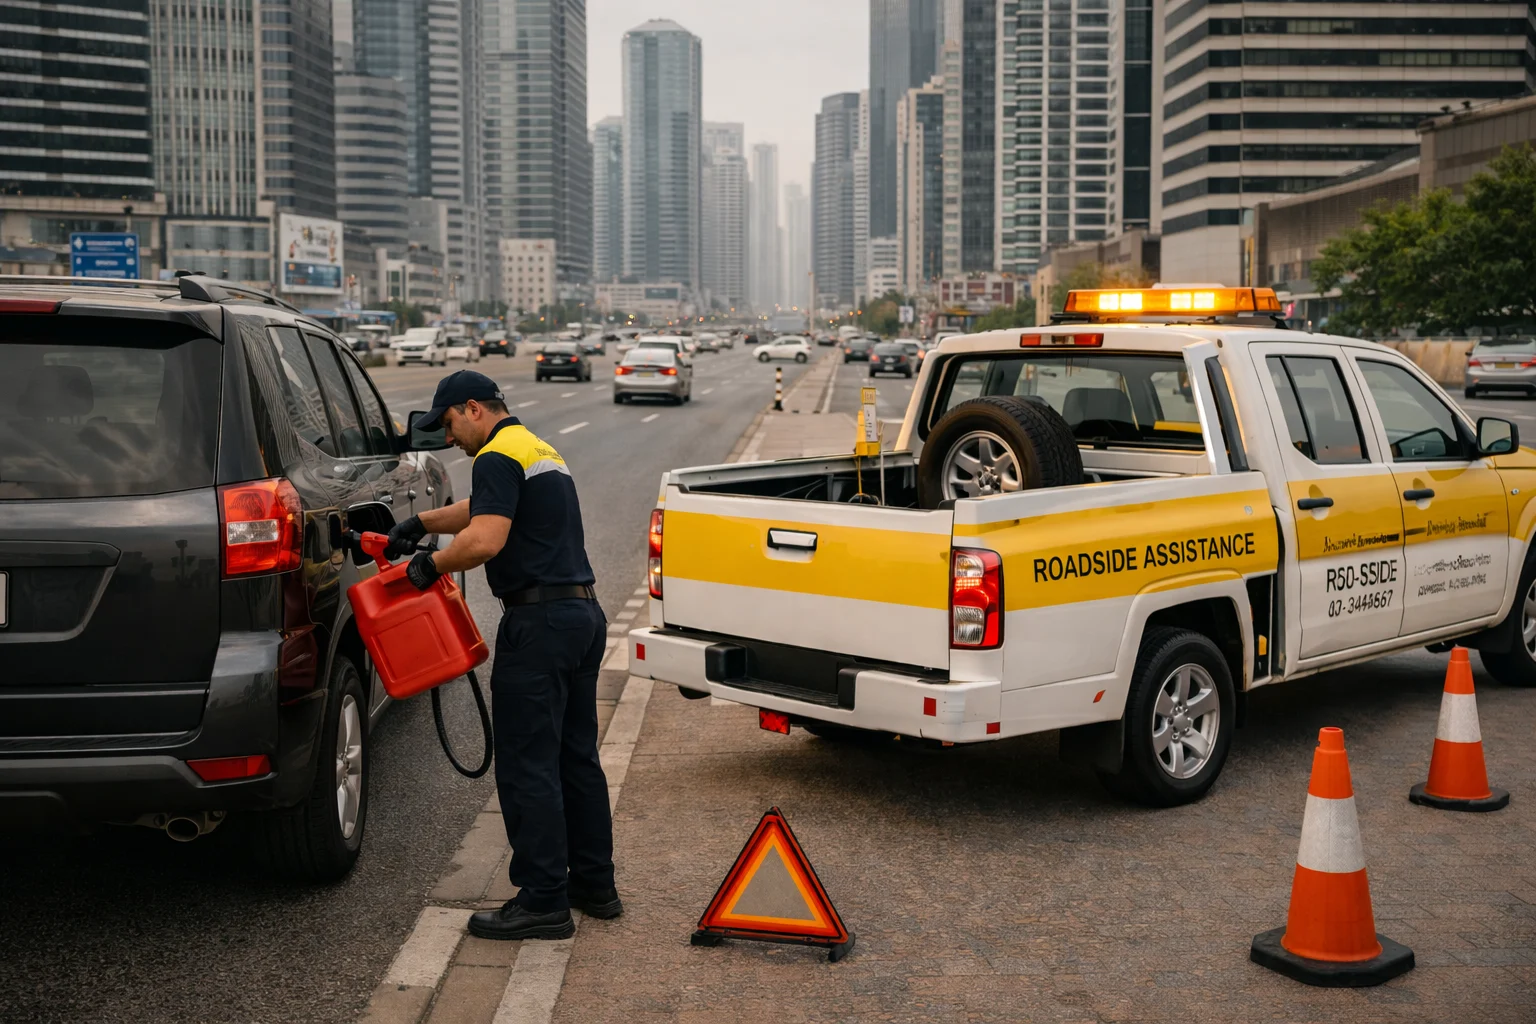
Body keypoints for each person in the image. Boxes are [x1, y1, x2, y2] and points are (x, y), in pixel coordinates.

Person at [388, 369, 619, 940]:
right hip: (580, 617)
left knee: (528, 765)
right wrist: (419, 522)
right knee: (575, 759)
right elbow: (481, 509)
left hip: (538, 625)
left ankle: (543, 899)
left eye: (449, 425)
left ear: (472, 409)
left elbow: (486, 538)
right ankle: (594, 884)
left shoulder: (495, 454)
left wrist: (428, 564)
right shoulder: (534, 447)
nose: (450, 439)